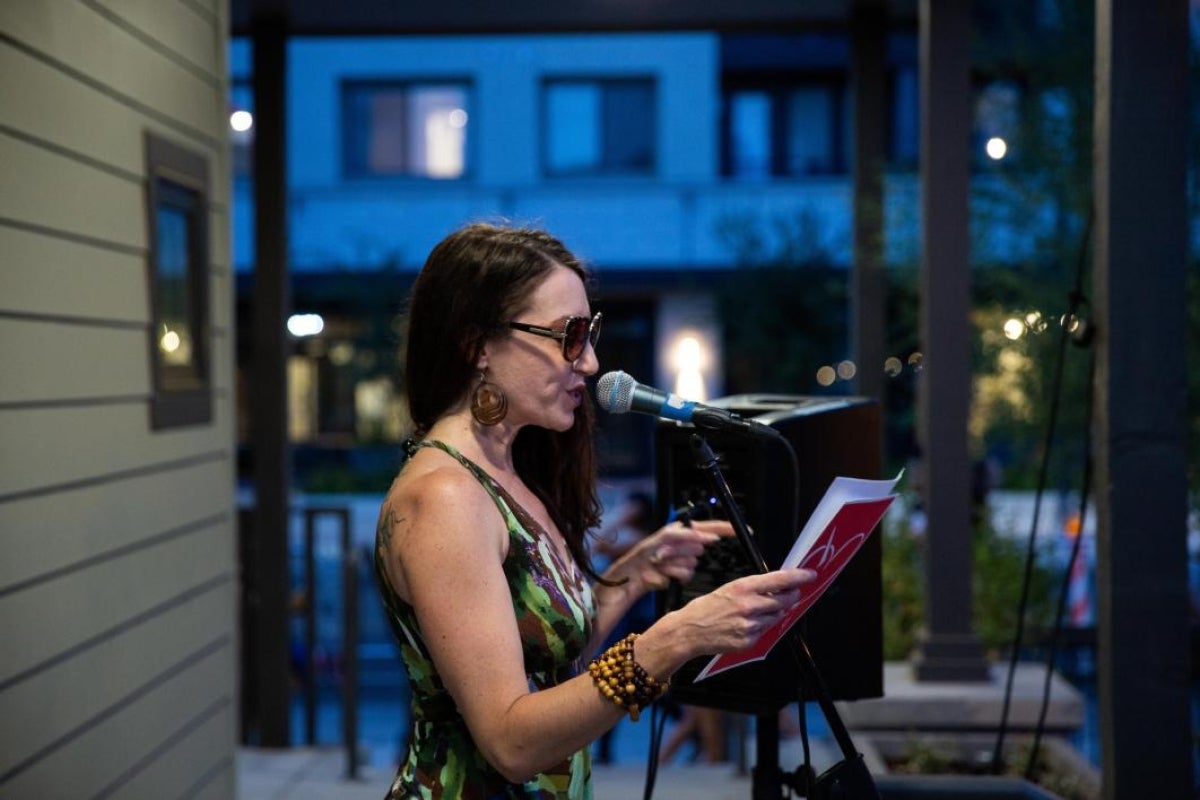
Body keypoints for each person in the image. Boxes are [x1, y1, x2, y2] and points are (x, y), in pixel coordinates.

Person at [373, 222, 814, 799]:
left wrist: (632, 575)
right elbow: (511, 744)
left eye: (590, 332)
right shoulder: (445, 499)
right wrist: (672, 640)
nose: (589, 362)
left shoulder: (504, 471)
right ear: (477, 344)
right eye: (569, 335)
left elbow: (541, 659)